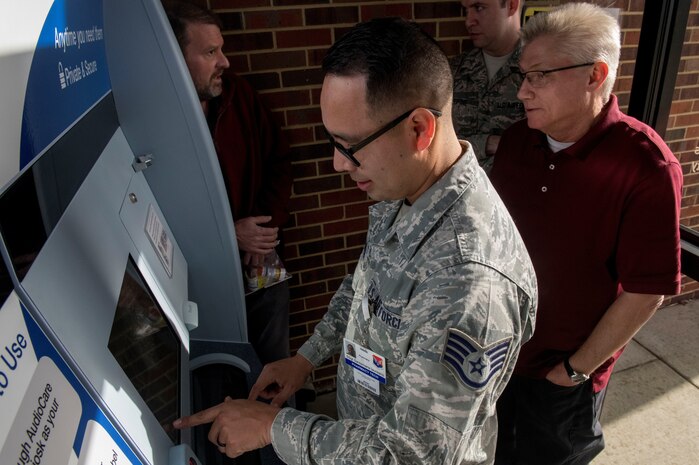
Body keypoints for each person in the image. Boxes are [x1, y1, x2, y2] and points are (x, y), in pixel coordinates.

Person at [174, 17, 537, 464]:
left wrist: (274, 427)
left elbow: (413, 454)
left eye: (349, 145)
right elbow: (365, 285)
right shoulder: (403, 186)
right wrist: (307, 358)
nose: (337, 164)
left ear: (419, 129)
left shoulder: (472, 285)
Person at [489, 4, 683, 464]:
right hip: (494, 357)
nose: (521, 91)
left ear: (595, 75)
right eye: (522, 75)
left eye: (538, 76)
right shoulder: (518, 141)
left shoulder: (646, 166)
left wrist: (573, 372)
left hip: (561, 376)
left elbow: (645, 290)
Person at [166, 2, 293, 366]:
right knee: (222, 371)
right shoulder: (155, 121)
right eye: (210, 52)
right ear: (175, 58)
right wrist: (227, 235)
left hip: (260, 268)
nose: (225, 62)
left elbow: (279, 161)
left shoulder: (238, 97)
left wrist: (264, 229)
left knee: (273, 368)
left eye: (221, 49)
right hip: (200, 284)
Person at [451, 0, 525, 172]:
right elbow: (438, 143)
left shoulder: (540, 71)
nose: (469, 21)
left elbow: (543, 148)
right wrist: (488, 143)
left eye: (479, 8)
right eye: (466, 10)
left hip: (514, 193)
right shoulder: (455, 70)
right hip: (458, 191)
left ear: (511, 6)